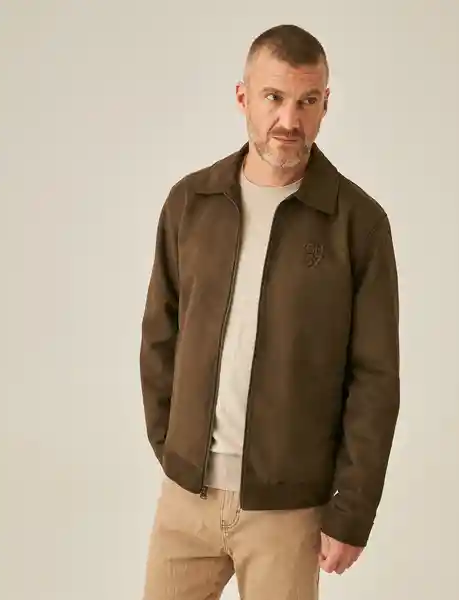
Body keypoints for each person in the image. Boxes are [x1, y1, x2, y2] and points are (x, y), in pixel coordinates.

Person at [139, 23, 400, 600]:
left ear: (326, 104)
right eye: (274, 97)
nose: (289, 119)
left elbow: (375, 378)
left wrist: (352, 510)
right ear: (243, 98)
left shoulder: (357, 223)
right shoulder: (191, 202)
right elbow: (160, 334)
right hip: (185, 502)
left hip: (289, 510)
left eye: (308, 101)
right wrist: (173, 447)